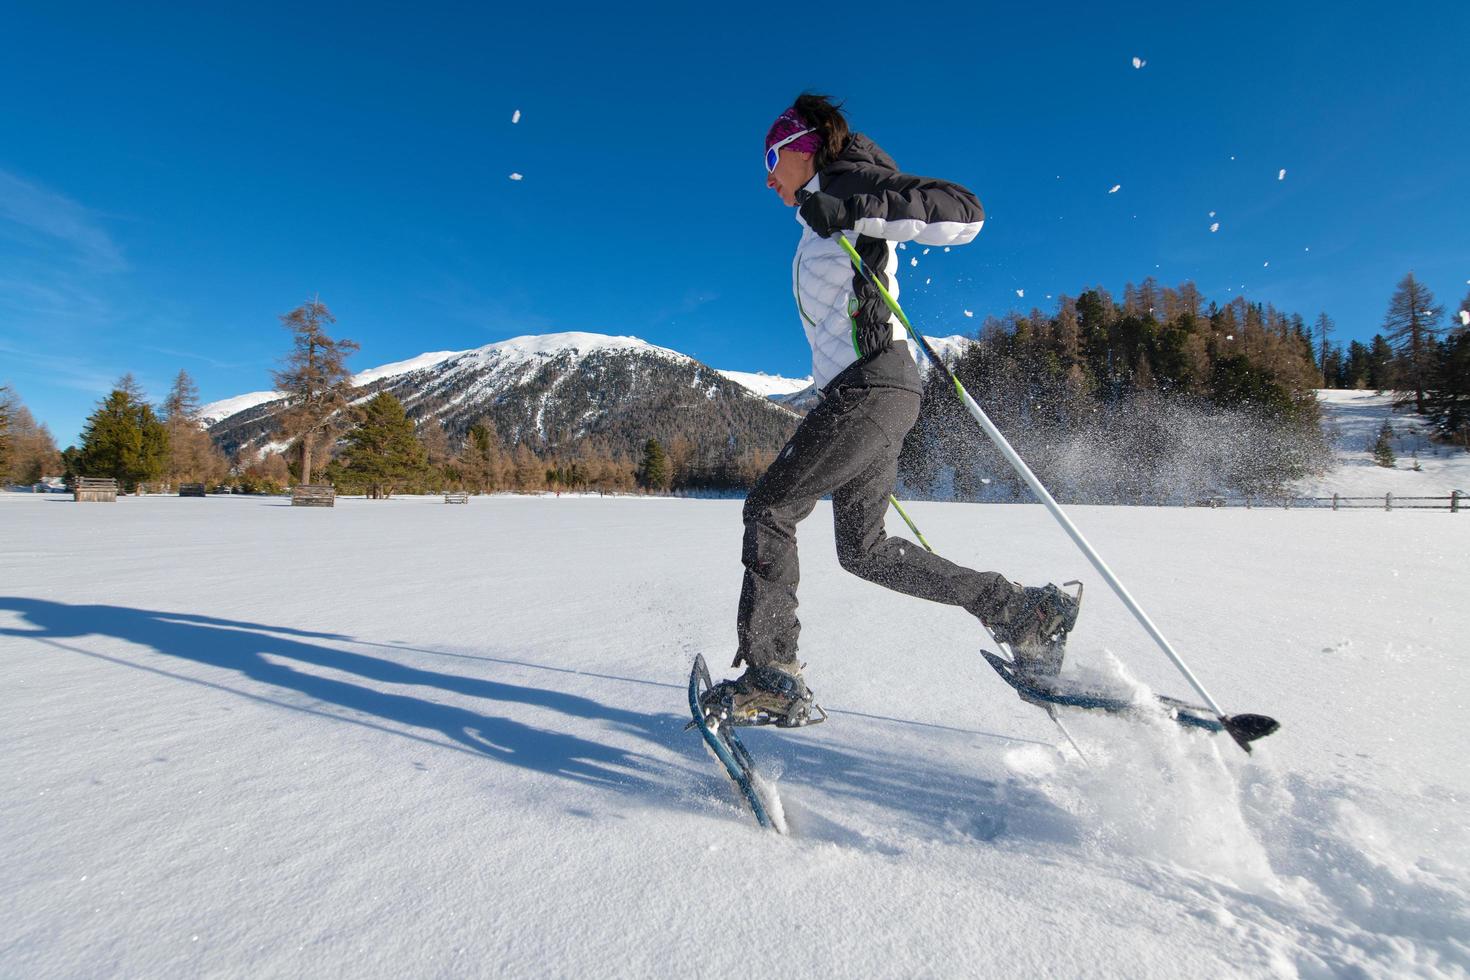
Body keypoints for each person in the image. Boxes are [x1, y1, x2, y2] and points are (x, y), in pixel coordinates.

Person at [700, 94, 1080, 728]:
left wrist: (850, 205)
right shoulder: (817, 214)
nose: (768, 177)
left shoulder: (849, 181)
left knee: (770, 507)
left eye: (772, 158)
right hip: (863, 392)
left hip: (874, 385)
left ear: (804, 147)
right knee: (864, 551)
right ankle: (1023, 611)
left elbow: (966, 213)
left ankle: (772, 675)